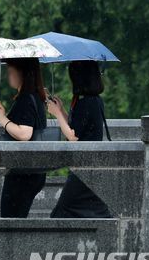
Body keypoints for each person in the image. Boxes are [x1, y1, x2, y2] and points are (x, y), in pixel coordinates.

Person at [47, 61, 111, 218]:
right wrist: (61, 109)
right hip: (88, 163)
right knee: (95, 209)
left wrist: (56, 114)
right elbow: (76, 127)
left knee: (62, 211)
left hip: (83, 164)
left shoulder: (87, 102)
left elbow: (73, 137)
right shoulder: (93, 100)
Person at [0, 58, 48, 218]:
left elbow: (24, 133)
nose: (8, 76)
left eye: (10, 71)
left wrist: (1, 119)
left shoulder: (26, 98)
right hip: (31, 171)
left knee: (10, 221)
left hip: (23, 172)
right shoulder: (35, 97)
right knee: (16, 219)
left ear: (21, 73)